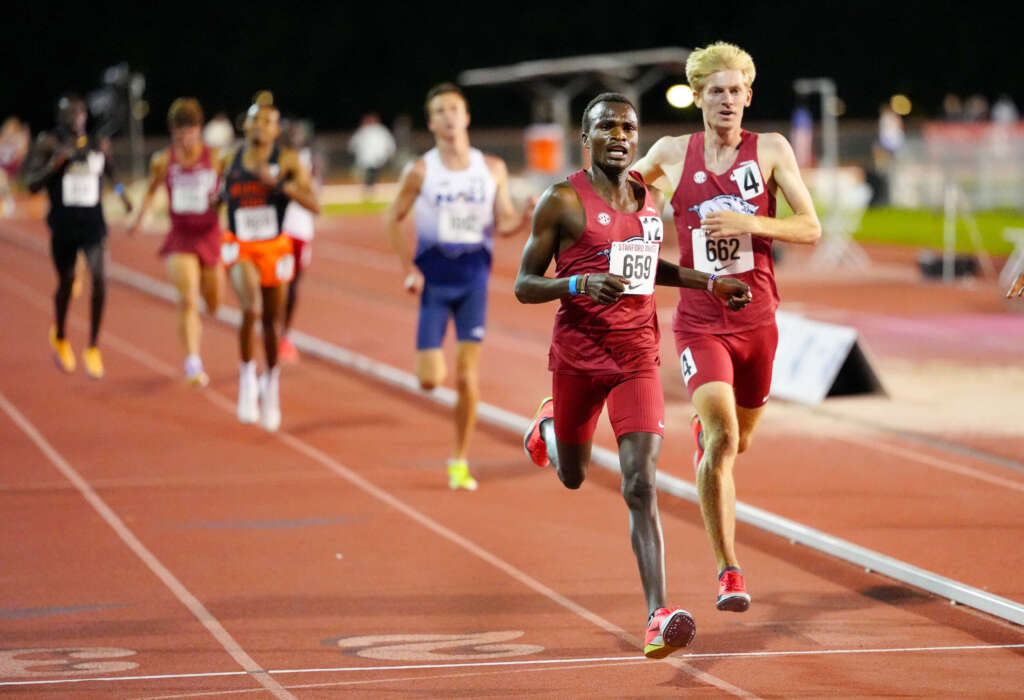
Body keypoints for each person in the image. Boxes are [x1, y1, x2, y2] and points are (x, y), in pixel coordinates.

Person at [515, 93, 751, 658]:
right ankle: (547, 427)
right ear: (585, 137)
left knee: (639, 483)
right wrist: (578, 284)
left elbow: (649, 269)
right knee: (571, 475)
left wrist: (709, 282)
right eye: (607, 127)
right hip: (577, 358)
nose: (620, 135)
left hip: (637, 359)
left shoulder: (649, 201)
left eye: (628, 126)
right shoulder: (562, 201)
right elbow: (525, 283)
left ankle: (656, 615)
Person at [634, 41, 821, 613]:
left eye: (737, 90)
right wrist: (626, 209)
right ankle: (729, 571)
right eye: (717, 90)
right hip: (699, 322)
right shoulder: (671, 151)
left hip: (758, 321)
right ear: (698, 96)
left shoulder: (770, 150)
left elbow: (810, 227)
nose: (728, 100)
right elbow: (621, 197)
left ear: (748, 95)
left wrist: (750, 220)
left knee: (741, 440)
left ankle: (714, 444)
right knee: (720, 440)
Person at [385, 82, 534, 491]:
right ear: (431, 122)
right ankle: (437, 382)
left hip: (473, 284)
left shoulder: (492, 168)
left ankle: (459, 460)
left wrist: (521, 221)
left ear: (466, 117)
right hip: (434, 284)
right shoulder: (421, 171)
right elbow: (392, 219)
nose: (449, 116)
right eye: (440, 111)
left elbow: (501, 222)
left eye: (455, 108)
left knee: (468, 378)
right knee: (430, 380)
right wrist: (408, 268)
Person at [218, 96, 319, 431]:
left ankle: (270, 384)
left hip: (275, 247)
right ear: (244, 125)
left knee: (272, 323)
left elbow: (314, 203)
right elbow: (219, 195)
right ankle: (247, 379)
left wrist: (279, 184)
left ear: (277, 130)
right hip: (239, 246)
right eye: (255, 120)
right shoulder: (227, 159)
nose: (260, 127)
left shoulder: (287, 160)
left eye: (268, 122)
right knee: (252, 309)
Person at [23, 94, 132, 378]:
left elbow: (113, 175)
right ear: (60, 117)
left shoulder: (97, 144)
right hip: (63, 226)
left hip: (93, 225)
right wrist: (55, 165)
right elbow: (32, 185)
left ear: (85, 116)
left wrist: (124, 197)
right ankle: (59, 335)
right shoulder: (49, 143)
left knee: (99, 280)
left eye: (79, 113)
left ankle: (93, 347)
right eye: (68, 113)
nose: (74, 118)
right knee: (67, 282)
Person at [128, 98, 224, 386]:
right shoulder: (163, 160)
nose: (184, 139)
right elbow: (151, 189)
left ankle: (199, 334)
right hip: (180, 237)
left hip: (210, 235)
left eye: (189, 132)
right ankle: (193, 362)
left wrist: (225, 204)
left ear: (199, 130)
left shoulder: (216, 158)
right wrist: (140, 219)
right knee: (187, 298)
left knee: (214, 303)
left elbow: (230, 189)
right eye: (178, 133)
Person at [277, 118, 321, 363]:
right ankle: (273, 324)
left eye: (297, 134)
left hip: (301, 230)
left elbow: (316, 198)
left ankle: (284, 334)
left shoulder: (310, 160)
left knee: (293, 285)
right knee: (274, 283)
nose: (294, 137)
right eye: (289, 133)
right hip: (276, 230)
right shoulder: (274, 159)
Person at [348, 112, 395, 200]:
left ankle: (370, 189)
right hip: (366, 158)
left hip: (377, 158)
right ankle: (367, 190)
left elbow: (389, 142)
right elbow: (353, 143)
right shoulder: (363, 130)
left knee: (374, 174)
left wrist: (389, 152)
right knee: (368, 174)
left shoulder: (381, 130)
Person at [0, 116, 30, 217]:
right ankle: (7, 202)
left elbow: (23, 149)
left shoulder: (17, 138)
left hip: (13, 167)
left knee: (5, 182)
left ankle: (8, 201)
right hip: (3, 168)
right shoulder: (2, 139)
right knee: (2, 181)